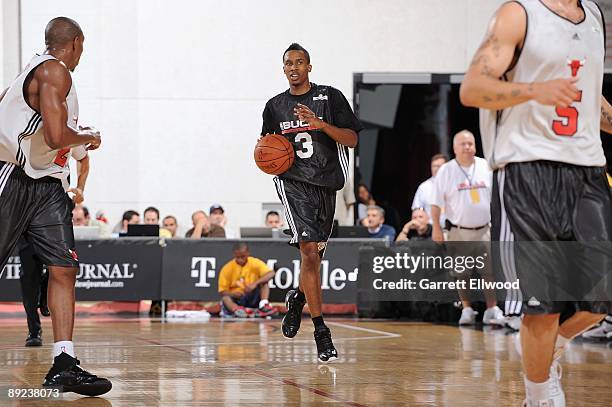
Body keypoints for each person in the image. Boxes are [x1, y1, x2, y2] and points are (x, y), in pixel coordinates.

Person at [460, 1, 610, 405]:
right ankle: (539, 395)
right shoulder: (518, 14)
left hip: (588, 170)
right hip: (527, 170)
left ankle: (554, 344)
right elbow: (472, 88)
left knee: (603, 296)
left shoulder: (595, 16)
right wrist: (534, 90)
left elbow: (590, 98)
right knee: (541, 305)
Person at [0, 17, 110, 395]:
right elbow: (56, 134)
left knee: (63, 268)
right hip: (12, 177)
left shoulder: (35, 71)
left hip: (48, 184)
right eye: (82, 47)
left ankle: (64, 362)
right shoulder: (54, 71)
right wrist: (90, 136)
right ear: (76, 43)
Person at [261, 43, 362, 362]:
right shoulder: (274, 106)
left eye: (299, 62)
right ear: (284, 68)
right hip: (293, 184)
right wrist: (265, 152)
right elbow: (266, 149)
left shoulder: (330, 97)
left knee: (314, 260)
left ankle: (296, 300)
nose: (293, 67)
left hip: (327, 183)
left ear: (309, 67)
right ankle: (321, 331)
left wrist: (322, 126)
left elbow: (353, 139)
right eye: (288, 63)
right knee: (308, 251)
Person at [431, 130, 505, 326]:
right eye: (463, 144)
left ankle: (491, 308)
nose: (467, 147)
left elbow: (498, 197)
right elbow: (436, 203)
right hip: (458, 230)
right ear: (454, 148)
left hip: (484, 229)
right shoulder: (446, 170)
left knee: (489, 272)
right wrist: (436, 228)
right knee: (461, 273)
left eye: (470, 143)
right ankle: (466, 309)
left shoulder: (485, 165)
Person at [22, 145, 89, 347]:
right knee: (29, 274)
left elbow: (83, 158)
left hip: (56, 202)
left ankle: (63, 351)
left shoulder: (69, 131)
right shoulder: (22, 126)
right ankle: (34, 329)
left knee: (61, 268)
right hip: (22, 202)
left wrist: (80, 189)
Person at [218, 243, 277, 318]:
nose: (240, 260)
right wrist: (233, 294)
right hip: (237, 298)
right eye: (237, 257)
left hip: (253, 295)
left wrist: (255, 284)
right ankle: (237, 310)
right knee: (225, 298)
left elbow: (271, 273)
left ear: (248, 253)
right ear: (234, 255)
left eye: (243, 256)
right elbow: (222, 291)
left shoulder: (255, 262)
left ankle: (263, 306)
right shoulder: (227, 268)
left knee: (264, 283)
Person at [412, 153, 448, 224]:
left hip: (453, 229)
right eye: (434, 166)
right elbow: (417, 209)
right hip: (431, 229)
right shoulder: (424, 187)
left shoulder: (455, 184)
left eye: (439, 166)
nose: (436, 169)